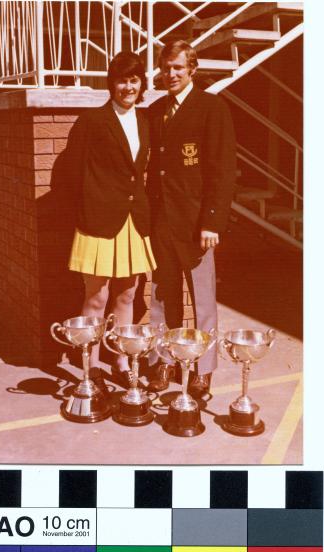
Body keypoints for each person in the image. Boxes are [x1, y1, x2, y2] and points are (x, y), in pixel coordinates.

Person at [147, 40, 236, 396]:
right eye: (166, 68)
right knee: (162, 297)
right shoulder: (156, 111)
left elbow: (222, 170)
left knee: (202, 301)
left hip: (197, 225)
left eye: (178, 68)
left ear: (192, 70)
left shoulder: (212, 108)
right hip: (161, 223)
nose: (170, 74)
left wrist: (212, 221)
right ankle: (164, 361)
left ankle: (204, 370)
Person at [66, 52, 156, 398]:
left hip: (133, 219)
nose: (128, 86)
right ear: (112, 83)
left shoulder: (146, 120)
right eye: (122, 79)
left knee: (128, 292)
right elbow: (71, 172)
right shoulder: (93, 120)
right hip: (98, 220)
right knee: (96, 294)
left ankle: (120, 361)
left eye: (134, 80)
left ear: (141, 83)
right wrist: (86, 209)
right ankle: (89, 365)